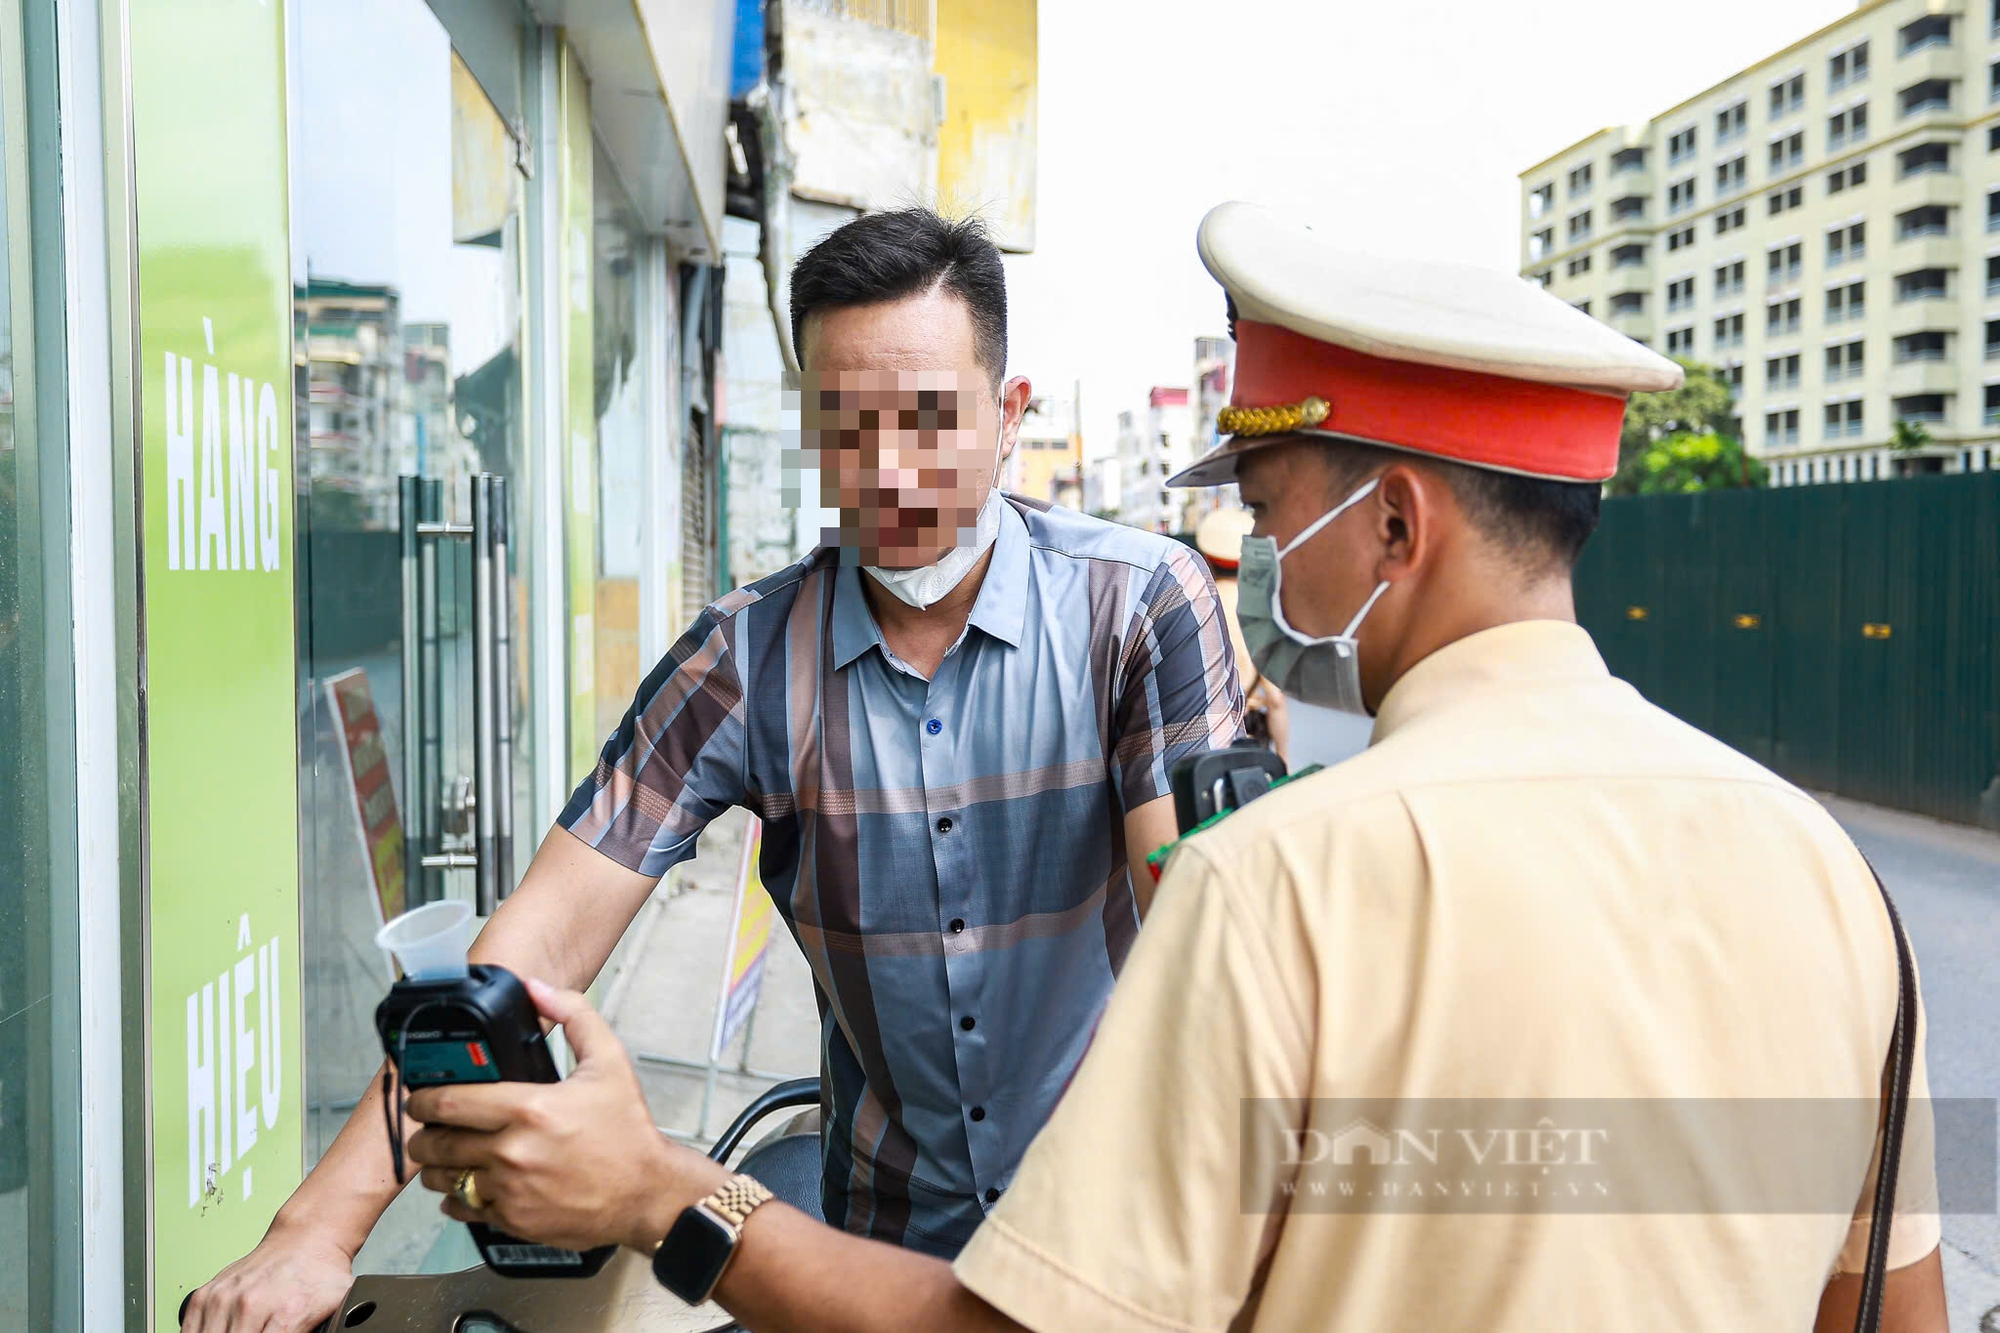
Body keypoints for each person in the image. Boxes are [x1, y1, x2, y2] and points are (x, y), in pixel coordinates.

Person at [398, 201, 1946, 1332]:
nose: (1253, 560)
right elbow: (1887, 1308)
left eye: (1273, 516)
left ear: (1394, 526)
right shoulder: (1830, 878)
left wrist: (666, 1191)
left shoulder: (1280, 880)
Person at [183, 207, 1243, 1331]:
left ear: (1007, 412)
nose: (887, 470)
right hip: (855, 1265)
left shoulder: (1137, 608)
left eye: (928, 419)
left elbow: (1203, 945)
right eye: (848, 425)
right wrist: (314, 1233)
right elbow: (537, 939)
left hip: (1109, 1251)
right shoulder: (742, 657)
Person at [1193, 505, 1289, 763]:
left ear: (1207, 556)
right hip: (1250, 730)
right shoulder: (1261, 610)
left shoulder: (1195, 604)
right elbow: (1276, 699)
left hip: (1205, 734)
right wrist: (1283, 759)